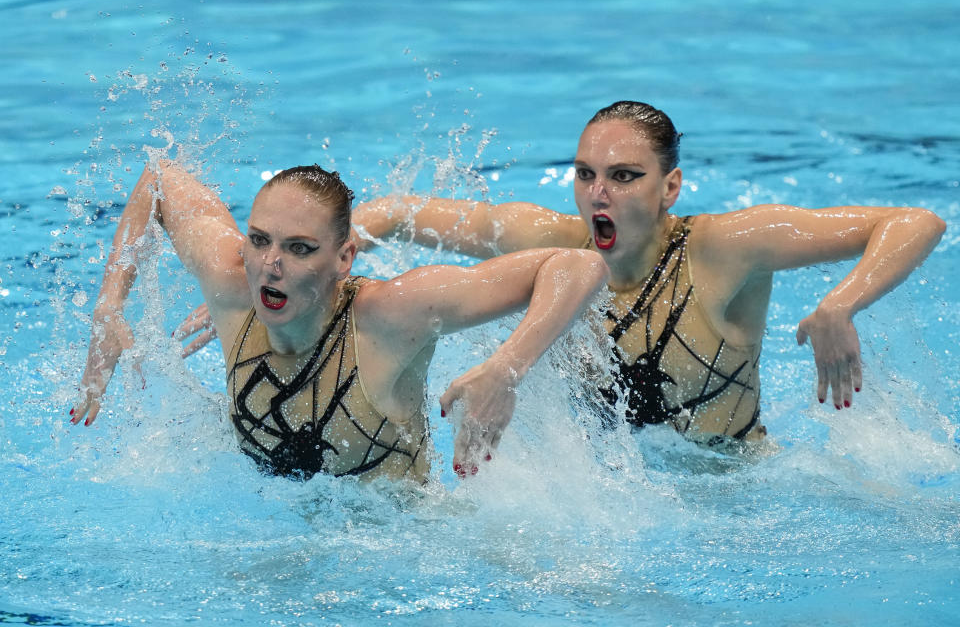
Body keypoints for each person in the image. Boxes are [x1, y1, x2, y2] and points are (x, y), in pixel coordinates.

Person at [321, 101, 946, 443]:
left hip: (735, 494)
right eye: (586, 174)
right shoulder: (550, 245)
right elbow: (397, 214)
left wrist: (841, 304)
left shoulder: (723, 249)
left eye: (624, 177)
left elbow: (916, 222)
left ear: (669, 186)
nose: (600, 194)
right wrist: (315, 264)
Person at [70, 160, 609, 481]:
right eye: (259, 241)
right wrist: (109, 306)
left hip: (400, 562)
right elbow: (160, 178)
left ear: (344, 258)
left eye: (299, 249)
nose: (269, 267)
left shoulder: (389, 316)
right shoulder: (233, 284)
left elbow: (580, 263)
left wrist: (506, 369)